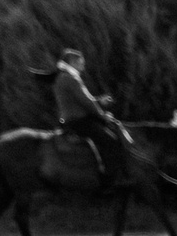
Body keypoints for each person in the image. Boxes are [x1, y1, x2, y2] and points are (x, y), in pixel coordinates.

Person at [40, 47, 126, 186]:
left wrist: (99, 101)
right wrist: (103, 116)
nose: (83, 66)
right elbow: (86, 102)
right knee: (110, 141)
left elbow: (80, 100)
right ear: (73, 62)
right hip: (79, 121)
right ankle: (109, 181)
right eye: (81, 63)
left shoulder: (62, 77)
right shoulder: (71, 78)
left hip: (71, 120)